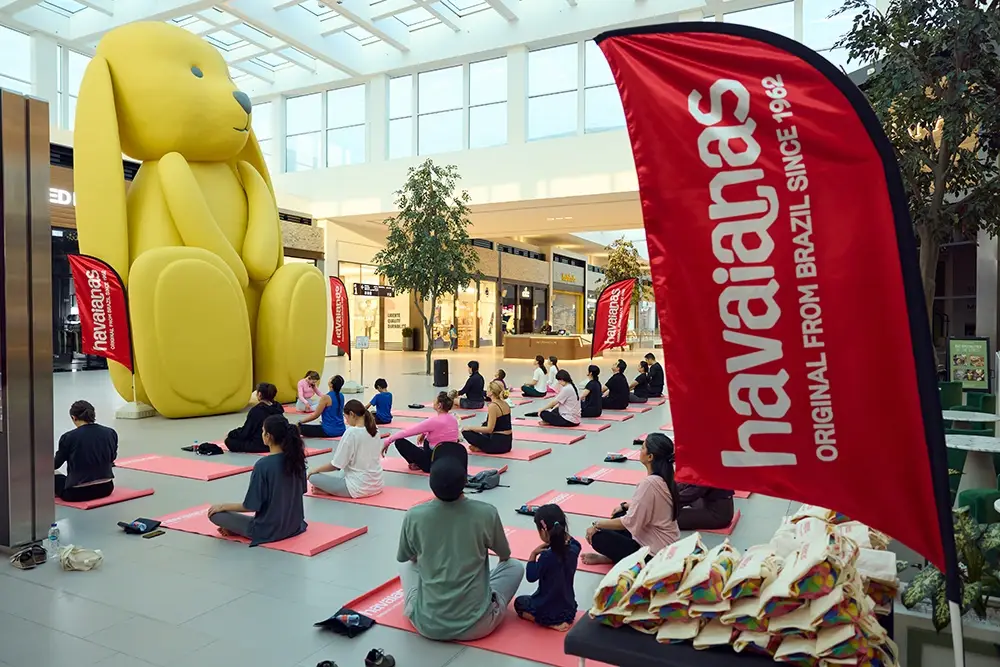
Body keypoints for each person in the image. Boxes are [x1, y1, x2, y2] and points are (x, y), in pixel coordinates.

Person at [397, 443, 524, 641]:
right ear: (465, 481)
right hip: (479, 624)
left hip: (428, 624)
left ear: (430, 481)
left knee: (407, 565)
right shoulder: (486, 512)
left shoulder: (414, 515)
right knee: (515, 566)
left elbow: (408, 557)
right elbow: (505, 556)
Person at [207, 415, 307, 546]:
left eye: (263, 431)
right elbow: (302, 490)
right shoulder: (297, 459)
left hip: (268, 530)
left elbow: (251, 505)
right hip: (295, 525)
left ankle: (238, 529)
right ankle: (237, 528)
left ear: (268, 436)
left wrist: (222, 506)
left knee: (215, 514)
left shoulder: (263, 465)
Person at [583, 433, 681, 565]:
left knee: (597, 536)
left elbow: (629, 522)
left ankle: (616, 558)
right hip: (665, 545)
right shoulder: (666, 478)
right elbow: (650, 505)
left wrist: (596, 524)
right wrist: (625, 506)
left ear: (650, 457)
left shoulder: (649, 484)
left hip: (654, 555)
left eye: (643, 448)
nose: (640, 450)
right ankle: (614, 557)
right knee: (620, 513)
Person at [514, 504, 580, 631]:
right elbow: (567, 543)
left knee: (519, 603)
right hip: (569, 610)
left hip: (547, 610)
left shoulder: (546, 556)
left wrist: (533, 555)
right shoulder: (575, 547)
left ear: (543, 531)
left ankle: (548, 623)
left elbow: (531, 577)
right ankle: (555, 620)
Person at [308, 400, 384, 498]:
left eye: (345, 416)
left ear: (352, 414)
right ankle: (330, 491)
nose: (346, 420)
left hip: (358, 488)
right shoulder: (375, 429)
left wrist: (314, 470)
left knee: (313, 477)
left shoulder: (351, 433)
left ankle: (328, 492)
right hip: (377, 484)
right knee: (343, 472)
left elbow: (336, 464)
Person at [54, 400, 118, 502]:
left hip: (76, 493)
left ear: (73, 418)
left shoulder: (68, 437)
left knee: (52, 475)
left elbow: (55, 464)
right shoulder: (110, 433)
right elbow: (112, 458)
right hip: (106, 488)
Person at [382, 392, 460, 472]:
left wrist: (388, 441)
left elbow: (407, 432)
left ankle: (416, 463)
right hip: (450, 460)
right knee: (427, 441)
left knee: (399, 442)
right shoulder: (453, 419)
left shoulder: (433, 421)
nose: (433, 401)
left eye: (435, 400)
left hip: (432, 465)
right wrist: (424, 433)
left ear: (439, 405)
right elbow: (441, 432)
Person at [225, 382, 285, 453]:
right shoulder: (278, 407)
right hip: (277, 443)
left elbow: (245, 432)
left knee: (229, 441)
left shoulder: (256, 411)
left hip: (261, 444)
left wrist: (232, 433)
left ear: (259, 394)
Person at [462, 381, 513, 454]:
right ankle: (483, 447)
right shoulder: (505, 403)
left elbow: (489, 429)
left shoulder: (493, 406)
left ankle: (483, 448)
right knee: (484, 424)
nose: (486, 391)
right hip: (507, 444)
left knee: (465, 431)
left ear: (492, 392)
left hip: (498, 445)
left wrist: (470, 427)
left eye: (488, 389)